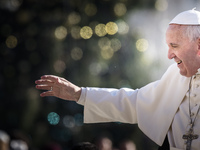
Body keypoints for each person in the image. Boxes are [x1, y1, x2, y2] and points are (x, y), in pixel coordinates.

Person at [35, 8, 200, 150]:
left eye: (175, 46)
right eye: (168, 46)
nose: (169, 55)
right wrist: (80, 94)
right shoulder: (174, 76)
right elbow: (133, 102)